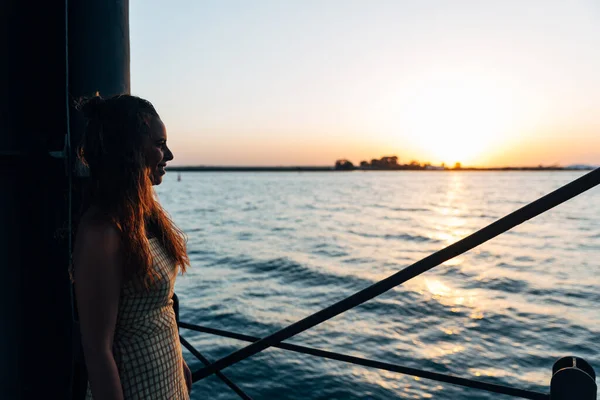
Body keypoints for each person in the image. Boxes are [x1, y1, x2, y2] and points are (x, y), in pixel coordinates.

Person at [71, 94, 192, 399]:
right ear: (131, 150)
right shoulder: (102, 231)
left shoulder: (145, 216)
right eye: (160, 144)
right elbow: (98, 353)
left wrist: (179, 362)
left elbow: (159, 310)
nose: (170, 155)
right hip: (136, 387)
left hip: (168, 377)